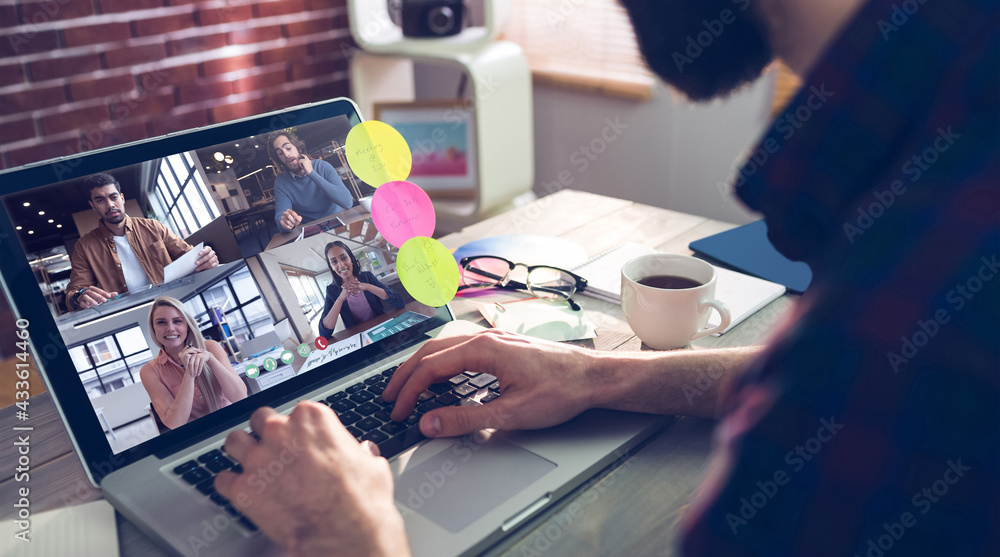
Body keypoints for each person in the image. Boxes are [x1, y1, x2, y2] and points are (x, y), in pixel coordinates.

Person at [214, 0, 999, 556]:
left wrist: (353, 539)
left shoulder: (897, 310)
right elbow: (834, 379)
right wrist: (596, 373)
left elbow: (858, 376)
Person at [66, 173, 219, 310]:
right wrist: (78, 297)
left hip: (172, 302)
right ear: (93, 205)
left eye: (113, 197)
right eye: (100, 200)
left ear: (122, 198)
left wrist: (206, 260)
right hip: (129, 313)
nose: (110, 205)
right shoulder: (84, 246)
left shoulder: (153, 227)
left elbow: (189, 256)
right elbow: (73, 294)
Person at [139, 297, 248, 430]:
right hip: (198, 436)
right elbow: (174, 423)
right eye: (161, 323)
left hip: (234, 423)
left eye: (177, 321)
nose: (170, 328)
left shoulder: (211, 347)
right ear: (153, 328)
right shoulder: (149, 371)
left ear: (187, 325)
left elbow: (240, 397)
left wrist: (211, 359)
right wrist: (189, 374)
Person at [267, 131, 354, 232]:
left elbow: (347, 203)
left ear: (298, 148)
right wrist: (285, 223)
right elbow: (280, 219)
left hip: (339, 223)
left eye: (288, 148)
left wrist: (311, 173)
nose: (286, 154)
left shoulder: (322, 166)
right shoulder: (282, 182)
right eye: (280, 153)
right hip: (313, 231)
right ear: (279, 159)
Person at [318, 241, 405, 338]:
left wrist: (368, 286)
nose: (341, 264)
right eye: (334, 261)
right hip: (358, 337)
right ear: (331, 267)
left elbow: (400, 302)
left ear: (351, 259)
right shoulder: (331, 290)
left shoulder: (367, 277)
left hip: (382, 329)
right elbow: (324, 334)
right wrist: (340, 299)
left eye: (343, 258)